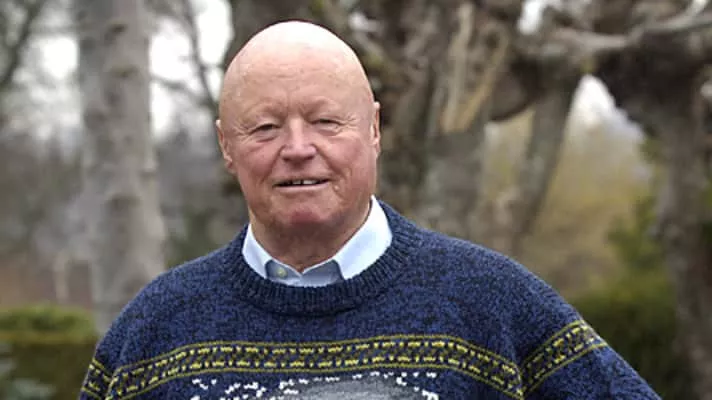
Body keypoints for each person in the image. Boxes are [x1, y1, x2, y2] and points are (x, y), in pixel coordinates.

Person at [80, 21, 660, 400]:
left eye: (326, 121)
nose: (298, 147)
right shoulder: (155, 331)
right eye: (265, 127)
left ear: (374, 129)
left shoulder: (494, 305)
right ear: (226, 146)